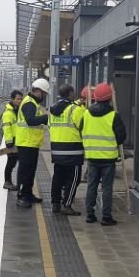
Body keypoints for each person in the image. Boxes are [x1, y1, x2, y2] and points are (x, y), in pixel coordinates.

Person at [82, 83, 127, 225]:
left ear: (95, 97)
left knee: (91, 185)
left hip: (92, 157)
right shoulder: (114, 116)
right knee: (107, 187)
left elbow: (81, 130)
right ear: (110, 98)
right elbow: (121, 136)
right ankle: (106, 217)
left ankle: (90, 215)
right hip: (108, 158)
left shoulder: (86, 114)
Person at [48, 84, 84, 215]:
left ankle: (55, 204)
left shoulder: (53, 110)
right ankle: (67, 205)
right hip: (73, 151)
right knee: (74, 179)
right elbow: (83, 127)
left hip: (57, 150)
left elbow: (49, 127)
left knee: (58, 177)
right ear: (71, 93)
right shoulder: (76, 109)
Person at [14, 78, 51, 208]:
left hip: (31, 143)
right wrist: (45, 118)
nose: (44, 96)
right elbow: (30, 120)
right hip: (26, 143)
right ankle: (22, 196)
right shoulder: (29, 103)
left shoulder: (32, 103)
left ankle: (28, 194)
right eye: (44, 93)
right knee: (25, 171)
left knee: (30, 171)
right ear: (38, 91)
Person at [1, 90, 23, 190]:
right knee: (11, 162)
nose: (19, 101)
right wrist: (9, 142)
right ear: (12, 99)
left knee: (13, 162)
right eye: (17, 99)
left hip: (18, 140)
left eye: (21, 99)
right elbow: (7, 128)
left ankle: (9, 182)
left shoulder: (17, 110)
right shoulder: (8, 113)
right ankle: (7, 182)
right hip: (12, 141)